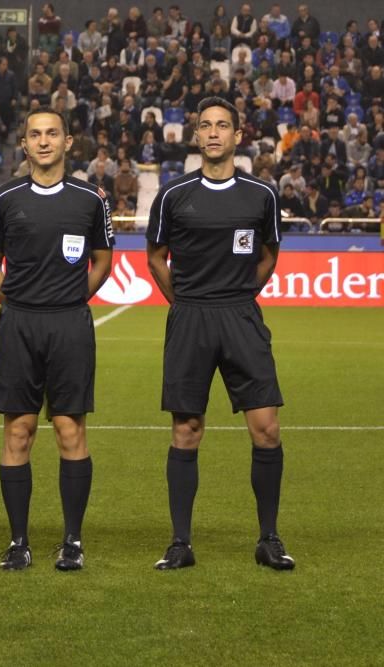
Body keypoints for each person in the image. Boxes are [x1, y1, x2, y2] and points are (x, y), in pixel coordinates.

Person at [145, 97, 294, 571]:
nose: (213, 133)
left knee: (266, 428)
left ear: (237, 135)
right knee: (186, 429)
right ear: (196, 135)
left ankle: (269, 538)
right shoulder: (173, 195)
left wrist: (243, 292)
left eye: (222, 125)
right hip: (191, 317)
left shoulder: (261, 194)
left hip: (241, 316)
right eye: (205, 125)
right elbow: (155, 257)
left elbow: (269, 253)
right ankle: (180, 542)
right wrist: (185, 301)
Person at [0, 107, 114, 571]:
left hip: (70, 326)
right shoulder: (4, 197)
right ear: (24, 143)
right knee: (18, 432)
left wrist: (78, 296)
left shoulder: (91, 198)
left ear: (67, 142)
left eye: (52, 134)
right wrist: (9, 298)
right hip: (19, 325)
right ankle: (19, 541)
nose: (43, 142)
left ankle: (72, 541)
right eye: (34, 134)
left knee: (69, 429)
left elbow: (102, 259)